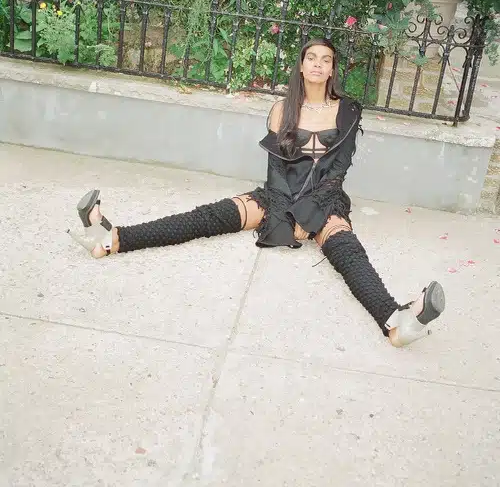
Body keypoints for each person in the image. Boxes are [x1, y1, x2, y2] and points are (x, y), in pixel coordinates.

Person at [68, 38, 445, 347]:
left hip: (324, 198)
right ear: (301, 66)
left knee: (347, 251)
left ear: (332, 69)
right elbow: (277, 170)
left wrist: (308, 216)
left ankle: (396, 322)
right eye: (310, 58)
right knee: (210, 216)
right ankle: (112, 239)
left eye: (325, 59)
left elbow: (338, 169)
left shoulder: (347, 110)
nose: (317, 64)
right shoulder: (282, 109)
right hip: (279, 196)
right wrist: (284, 213)